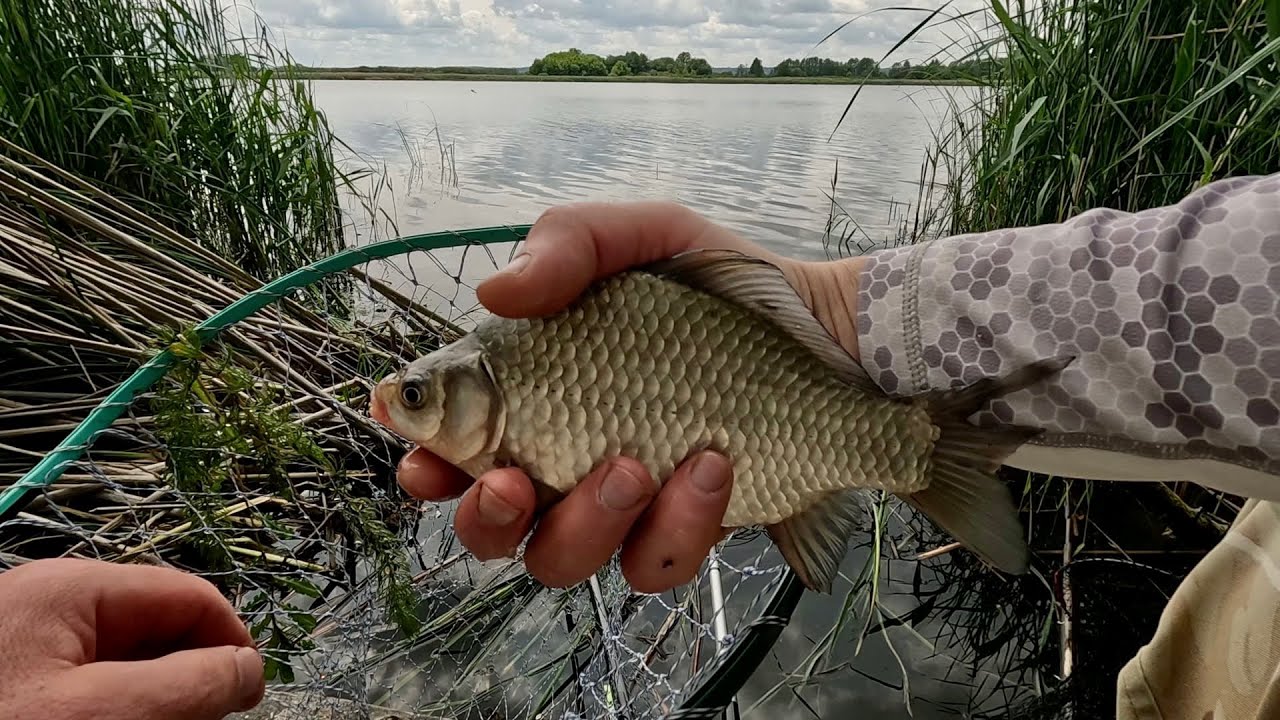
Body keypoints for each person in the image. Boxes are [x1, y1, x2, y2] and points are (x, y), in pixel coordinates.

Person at [0, 172, 1276, 719]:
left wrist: (830, 332)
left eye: (425, 394)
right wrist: (840, 311)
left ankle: (911, 448)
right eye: (420, 393)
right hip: (788, 430)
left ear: (475, 395)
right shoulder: (517, 381)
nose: (407, 406)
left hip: (795, 426)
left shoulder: (521, 371)